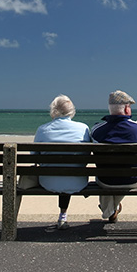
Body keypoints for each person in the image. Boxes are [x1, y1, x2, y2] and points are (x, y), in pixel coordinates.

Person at [33, 94, 91, 230]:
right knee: (69, 172)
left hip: (48, 181)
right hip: (78, 182)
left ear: (53, 110)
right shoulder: (83, 129)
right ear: (72, 111)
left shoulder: (42, 129)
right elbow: (87, 155)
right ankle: (63, 215)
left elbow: (34, 157)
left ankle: (63, 215)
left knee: (59, 171)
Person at [90, 90, 137, 222]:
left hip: (105, 180)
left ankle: (110, 209)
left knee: (108, 176)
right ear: (127, 109)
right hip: (133, 180)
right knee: (125, 172)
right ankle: (112, 209)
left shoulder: (96, 130)